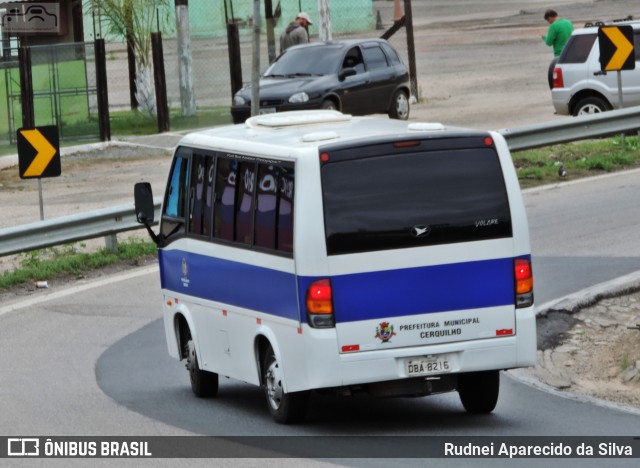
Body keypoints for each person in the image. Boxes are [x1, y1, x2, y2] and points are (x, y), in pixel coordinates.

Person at [542, 9, 573, 88]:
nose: (549, 22)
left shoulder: (554, 26)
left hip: (560, 54)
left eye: (548, 20)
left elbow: (549, 42)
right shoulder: (568, 22)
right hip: (570, 51)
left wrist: (544, 38)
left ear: (549, 18)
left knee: (561, 76)